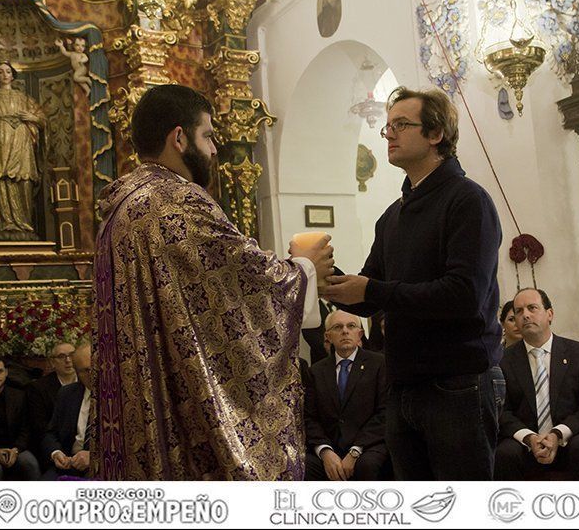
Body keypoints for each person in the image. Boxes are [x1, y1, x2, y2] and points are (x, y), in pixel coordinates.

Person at [92, 84, 333, 480]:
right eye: (208, 136)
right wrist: (303, 270)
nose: (215, 149)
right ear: (180, 137)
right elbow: (240, 281)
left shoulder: (123, 205)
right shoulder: (177, 200)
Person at [322, 86, 502, 480]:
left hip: (457, 383)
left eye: (401, 125)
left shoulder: (468, 201)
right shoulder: (392, 216)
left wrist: (370, 290)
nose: (389, 135)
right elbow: (369, 294)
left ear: (436, 134)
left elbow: (463, 295)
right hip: (403, 385)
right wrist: (319, 279)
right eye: (387, 127)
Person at [495, 288, 579, 480]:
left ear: (549, 314)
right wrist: (530, 438)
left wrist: (556, 435)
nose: (526, 315)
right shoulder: (503, 361)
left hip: (570, 439)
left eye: (532, 308)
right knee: (504, 453)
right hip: (526, 444)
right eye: (519, 311)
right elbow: (502, 413)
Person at [304, 310, 389, 481]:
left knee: (367, 465)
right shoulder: (316, 371)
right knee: (302, 465)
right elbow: (309, 417)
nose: (345, 331)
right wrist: (325, 451)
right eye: (338, 327)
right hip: (331, 446)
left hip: (369, 445)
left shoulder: (379, 364)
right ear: (328, 336)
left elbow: (385, 412)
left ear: (360, 334)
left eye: (351, 326)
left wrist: (356, 450)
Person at [0, 61, 46, 241]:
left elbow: (42, 119)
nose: (4, 74)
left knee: (23, 179)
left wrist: (33, 118)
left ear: (13, 75)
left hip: (21, 143)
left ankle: (23, 224)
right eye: (0, 72)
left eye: (8, 71)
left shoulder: (24, 98)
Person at [0, 354, 41, 480]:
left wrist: (16, 449)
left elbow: (26, 427)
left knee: (30, 463)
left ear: (6, 372)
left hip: (15, 447)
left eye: (0, 371)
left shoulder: (19, 396)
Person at [41, 342, 92, 479]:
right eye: (85, 371)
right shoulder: (67, 393)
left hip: (103, 466)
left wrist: (93, 457)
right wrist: (56, 452)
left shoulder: (121, 399)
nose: (92, 375)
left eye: (95, 368)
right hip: (68, 465)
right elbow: (50, 433)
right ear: (77, 372)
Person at [27, 341, 78, 467]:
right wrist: (56, 451)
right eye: (61, 356)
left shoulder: (88, 382)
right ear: (52, 362)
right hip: (55, 450)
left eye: (72, 355)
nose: (68, 360)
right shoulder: (38, 388)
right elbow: (40, 427)